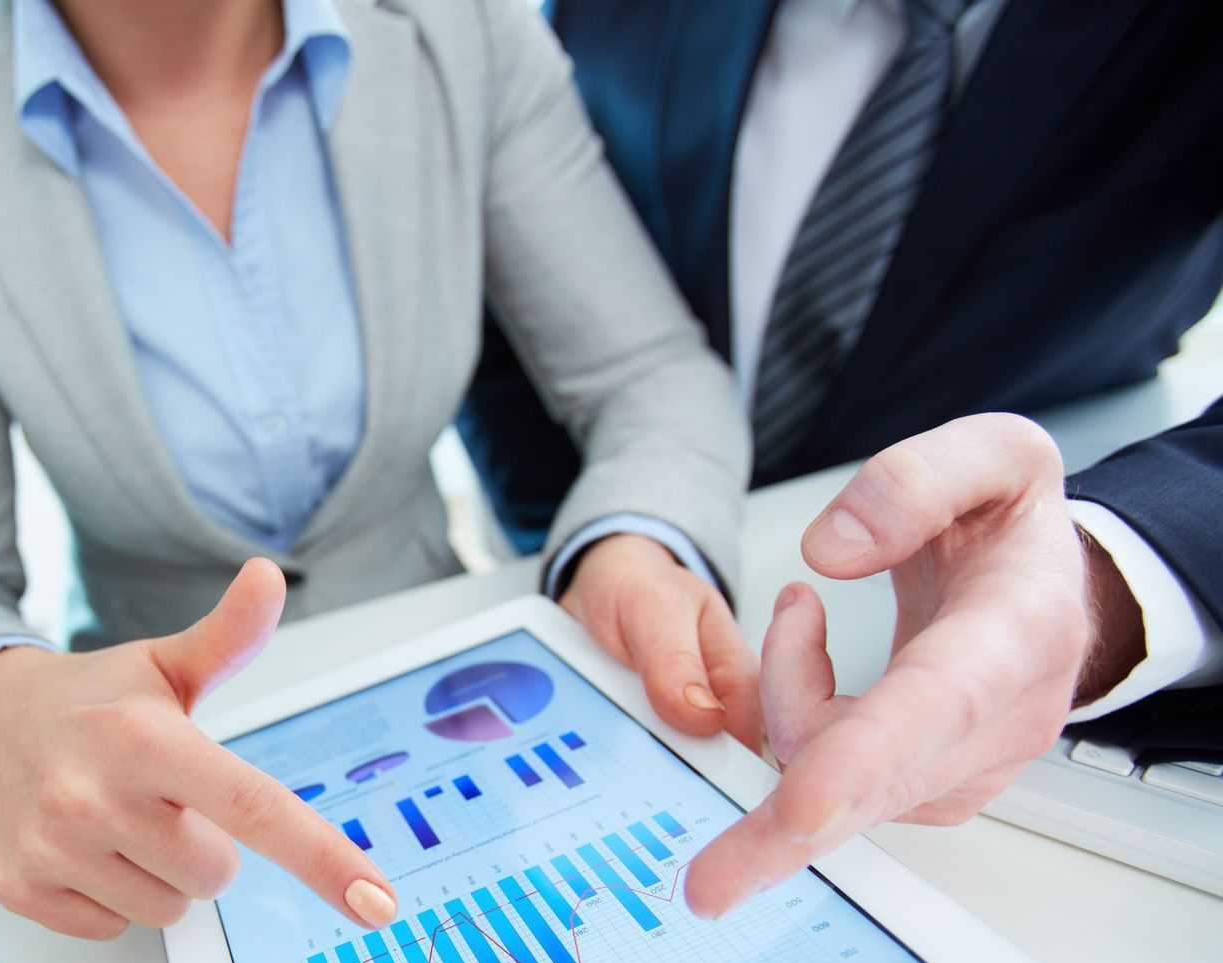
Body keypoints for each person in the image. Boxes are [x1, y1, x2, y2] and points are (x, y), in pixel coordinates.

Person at [0, 0, 763, 941]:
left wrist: (631, 542)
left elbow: (649, 376)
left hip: (468, 712)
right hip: (152, 817)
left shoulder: (458, 28)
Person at [456, 0, 1223, 916]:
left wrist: (1101, 575)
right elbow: (518, 302)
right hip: (629, 631)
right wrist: (607, 531)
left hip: (962, 729)